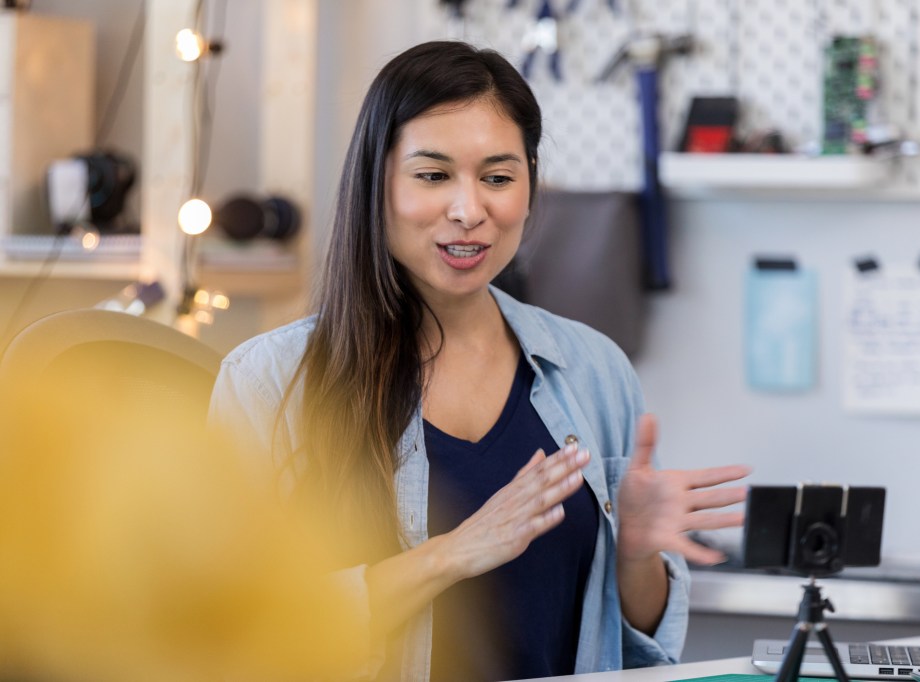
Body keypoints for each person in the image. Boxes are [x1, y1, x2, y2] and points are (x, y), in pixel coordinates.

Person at [208, 40, 750, 681]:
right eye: (433, 176)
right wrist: (451, 555)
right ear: (376, 183)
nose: (470, 211)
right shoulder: (269, 381)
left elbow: (639, 654)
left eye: (498, 177)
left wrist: (633, 553)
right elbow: (233, 631)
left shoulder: (594, 369)